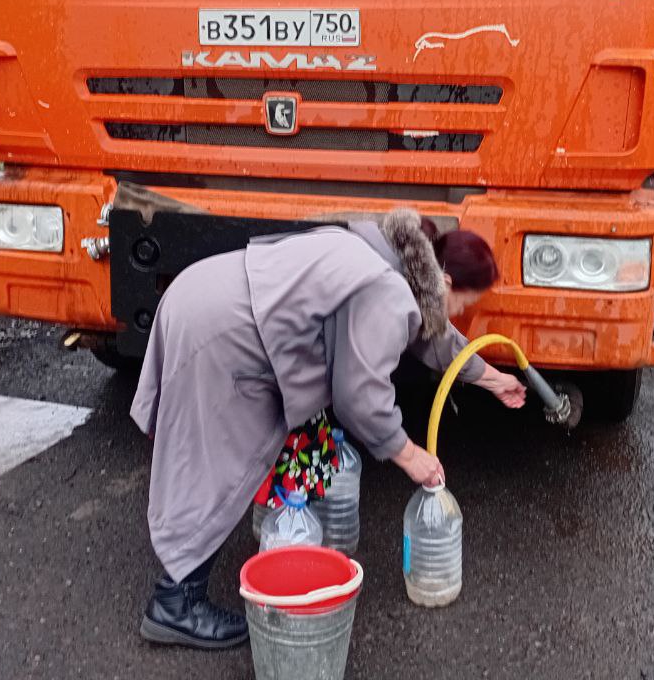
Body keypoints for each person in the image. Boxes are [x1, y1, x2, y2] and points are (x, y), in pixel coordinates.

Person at [130, 208, 527, 650]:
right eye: (465, 305)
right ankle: (175, 604)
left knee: (214, 458)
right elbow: (359, 396)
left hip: (204, 295)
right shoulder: (388, 290)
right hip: (221, 333)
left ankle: (179, 593)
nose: (459, 314)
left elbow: (434, 335)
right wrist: (411, 456)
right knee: (217, 464)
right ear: (448, 284)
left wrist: (493, 378)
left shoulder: (391, 256)